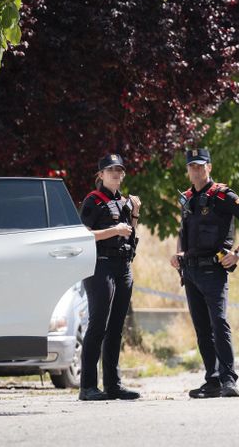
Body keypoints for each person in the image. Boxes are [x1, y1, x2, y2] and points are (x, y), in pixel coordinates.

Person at [169, 148, 239, 399]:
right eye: (192, 166)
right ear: (188, 170)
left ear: (209, 167)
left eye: (201, 165)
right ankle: (212, 380)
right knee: (202, 329)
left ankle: (228, 379)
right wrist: (178, 253)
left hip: (214, 270)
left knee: (219, 324)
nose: (196, 170)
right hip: (190, 271)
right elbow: (183, 232)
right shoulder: (187, 197)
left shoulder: (222, 195)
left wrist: (238, 254)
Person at [79, 154, 141, 401]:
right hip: (100, 266)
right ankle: (88, 386)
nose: (116, 173)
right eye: (110, 170)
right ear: (101, 175)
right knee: (98, 325)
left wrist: (135, 214)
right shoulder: (93, 200)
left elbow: (130, 237)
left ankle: (113, 385)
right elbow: (83, 235)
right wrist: (113, 231)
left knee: (116, 327)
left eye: (119, 170)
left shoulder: (124, 202)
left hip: (123, 266)